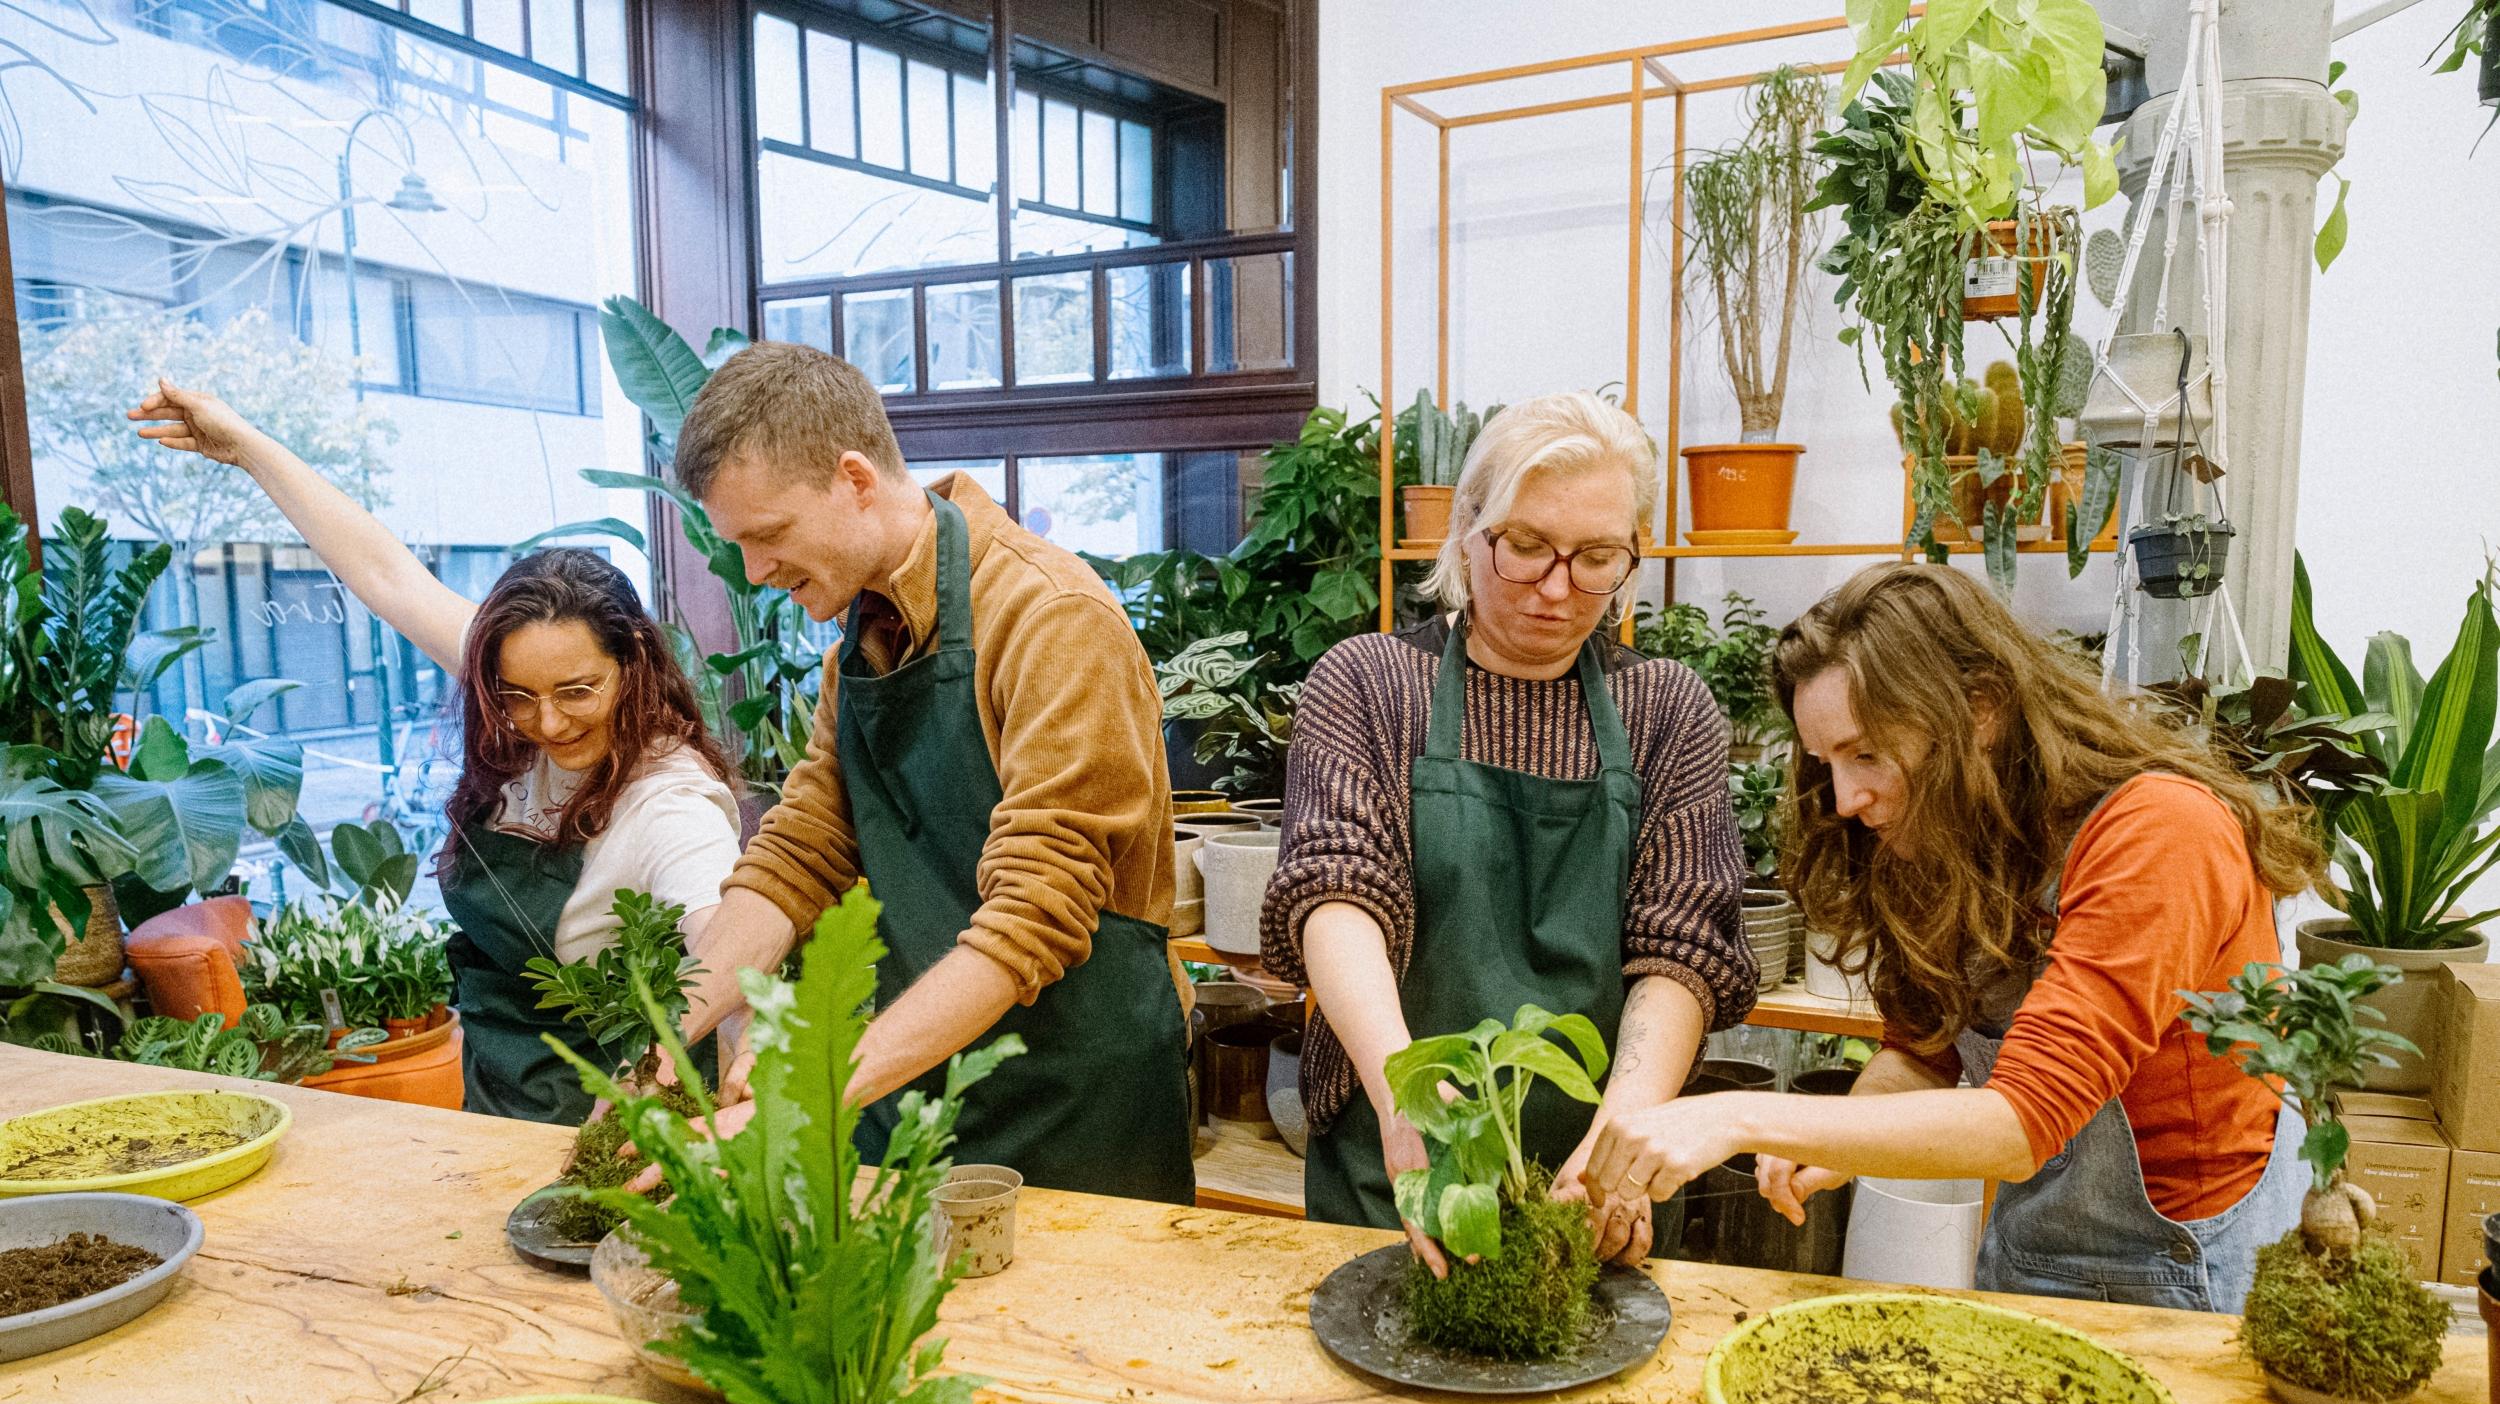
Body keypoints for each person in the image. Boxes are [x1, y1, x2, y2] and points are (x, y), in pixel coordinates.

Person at [1585, 563, 2324, 1313]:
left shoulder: (2161, 832)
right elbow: (1921, 1053)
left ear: (1980, 710)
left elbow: (2022, 1121)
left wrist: (1736, 1115)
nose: (1845, 799)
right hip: (2030, 1259)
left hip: (2190, 1279)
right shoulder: (1944, 838)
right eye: (1826, 763)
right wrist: (1832, 1136)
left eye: (1867, 753)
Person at [127, 381, 742, 1125]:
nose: (543, 721)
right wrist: (245, 446)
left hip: (615, 1124)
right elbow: (386, 575)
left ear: (632, 664)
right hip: (491, 1100)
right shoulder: (525, 676)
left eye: (577, 691)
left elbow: (724, 944)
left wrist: (740, 1089)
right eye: (518, 694)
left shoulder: (670, 801)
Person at [663, 342, 1193, 1203]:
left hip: (1074, 1112)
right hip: (912, 1095)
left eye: (767, 536)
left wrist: (806, 1088)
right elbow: (802, 855)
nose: (756, 573)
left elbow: (1032, 915)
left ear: (854, 478)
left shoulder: (1051, 620)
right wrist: (667, 1029)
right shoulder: (856, 652)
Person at [1260, 391, 1756, 1270]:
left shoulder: (1667, 710)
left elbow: (1683, 952)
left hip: (1592, 1179)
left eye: (1597, 557)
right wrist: (1406, 1095)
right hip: (1398, 1159)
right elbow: (1334, 892)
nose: (1558, 588)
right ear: (1464, 532)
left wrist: (1623, 1142)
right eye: (1526, 546)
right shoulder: (1371, 686)